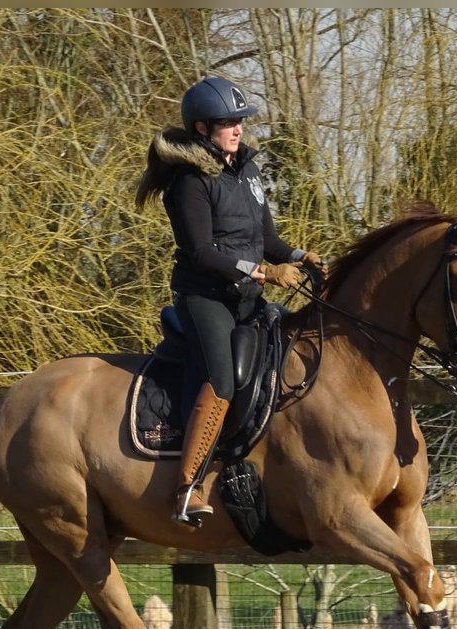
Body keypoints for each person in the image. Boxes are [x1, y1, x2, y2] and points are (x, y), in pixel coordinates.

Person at [136, 75, 323, 525]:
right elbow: (202, 253)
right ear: (202, 129)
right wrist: (262, 271)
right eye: (227, 123)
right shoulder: (189, 183)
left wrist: (300, 256)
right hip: (204, 298)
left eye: (240, 121)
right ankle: (189, 484)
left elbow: (266, 238)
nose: (237, 129)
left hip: (248, 297)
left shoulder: (249, 172)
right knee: (222, 376)